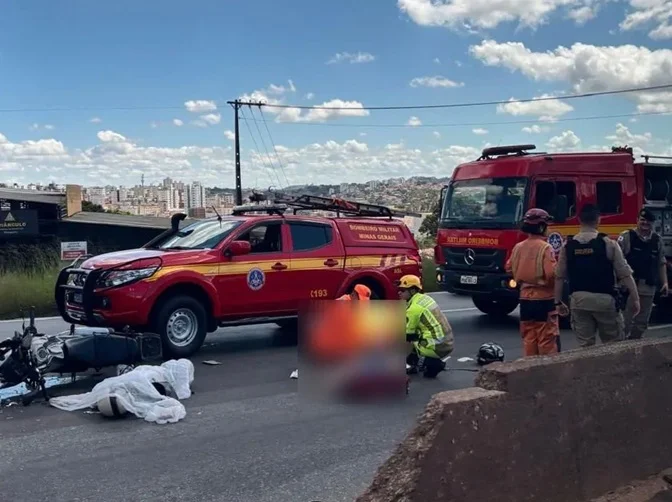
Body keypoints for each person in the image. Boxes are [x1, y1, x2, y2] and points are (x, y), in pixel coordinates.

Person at [554, 204, 640, 347]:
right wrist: (636, 299)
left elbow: (559, 276)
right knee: (614, 346)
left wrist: (557, 302)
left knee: (586, 347)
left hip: (579, 301)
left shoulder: (567, 246)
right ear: (598, 220)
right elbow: (625, 273)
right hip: (605, 301)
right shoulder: (608, 244)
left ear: (579, 220)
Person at [505, 208, 559, 357]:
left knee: (529, 337)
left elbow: (509, 268)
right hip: (544, 300)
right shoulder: (545, 247)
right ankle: (546, 373)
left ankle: (529, 369)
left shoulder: (518, 247)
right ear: (542, 227)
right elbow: (551, 274)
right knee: (546, 339)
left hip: (525, 300)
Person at [618, 208, 669, 339]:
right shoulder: (626, 237)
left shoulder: (657, 240)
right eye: (642, 220)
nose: (645, 223)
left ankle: (633, 348)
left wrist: (665, 283)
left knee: (641, 323)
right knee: (625, 322)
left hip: (648, 287)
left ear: (653, 223)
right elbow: (617, 261)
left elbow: (661, 262)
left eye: (649, 221)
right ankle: (620, 350)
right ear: (637, 220)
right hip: (629, 286)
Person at [398, 274, 454, 378]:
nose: (399, 292)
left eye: (403, 290)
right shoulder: (425, 299)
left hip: (437, 346)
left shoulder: (413, 309)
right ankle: (427, 364)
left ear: (413, 291)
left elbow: (407, 336)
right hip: (447, 342)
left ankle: (425, 364)